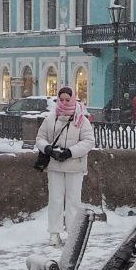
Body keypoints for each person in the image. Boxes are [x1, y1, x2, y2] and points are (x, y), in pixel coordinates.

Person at [35, 86, 95, 246]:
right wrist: (47, 148)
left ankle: (72, 234)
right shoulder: (51, 118)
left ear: (73, 99)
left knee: (73, 201)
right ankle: (54, 233)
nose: (64, 102)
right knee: (55, 200)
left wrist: (70, 152)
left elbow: (89, 141)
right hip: (55, 166)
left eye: (67, 99)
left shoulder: (81, 119)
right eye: (61, 99)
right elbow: (40, 137)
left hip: (75, 167)